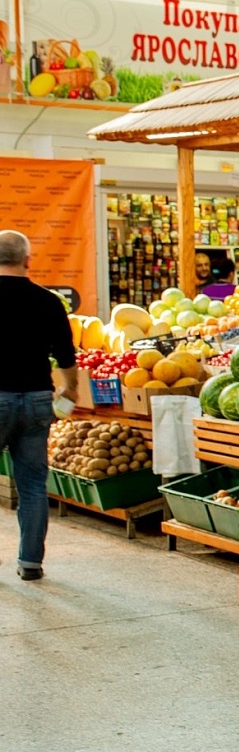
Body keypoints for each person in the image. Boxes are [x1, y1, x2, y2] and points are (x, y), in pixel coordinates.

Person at [0, 231, 78, 581]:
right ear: (27, 259)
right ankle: (30, 562)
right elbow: (66, 355)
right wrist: (71, 390)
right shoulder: (48, 302)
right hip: (35, 400)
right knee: (32, 484)